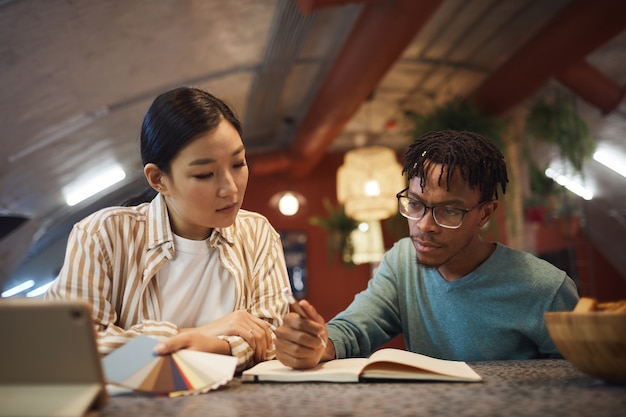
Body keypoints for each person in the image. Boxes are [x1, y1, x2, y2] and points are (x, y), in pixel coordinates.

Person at [275, 129, 579, 369]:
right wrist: (318, 344)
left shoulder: (546, 290)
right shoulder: (401, 261)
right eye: (416, 204)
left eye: (448, 211)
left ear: (485, 214)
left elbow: (576, 389)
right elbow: (356, 327)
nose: (424, 225)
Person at [45, 86, 290, 371]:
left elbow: (272, 338)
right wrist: (199, 335)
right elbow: (71, 349)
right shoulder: (103, 236)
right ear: (158, 179)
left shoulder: (257, 234)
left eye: (238, 163)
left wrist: (216, 345)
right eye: (205, 174)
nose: (230, 188)